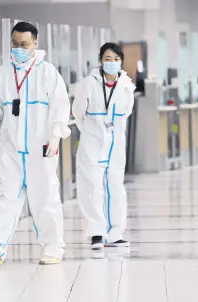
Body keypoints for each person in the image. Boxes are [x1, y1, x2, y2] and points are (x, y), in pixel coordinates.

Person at [0, 21, 71, 266]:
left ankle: (53, 246)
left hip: (41, 148)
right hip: (9, 147)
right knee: (5, 195)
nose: (19, 48)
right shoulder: (1, 74)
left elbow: (60, 105)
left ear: (35, 44)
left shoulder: (48, 72)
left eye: (24, 44)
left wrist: (56, 134)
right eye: (15, 44)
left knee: (44, 196)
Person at [72, 43, 135, 250]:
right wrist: (92, 131)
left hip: (115, 142)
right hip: (93, 140)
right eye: (108, 59)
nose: (112, 63)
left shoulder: (126, 84)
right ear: (100, 60)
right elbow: (78, 112)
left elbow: (126, 113)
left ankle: (116, 233)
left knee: (116, 187)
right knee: (92, 187)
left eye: (116, 59)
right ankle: (97, 233)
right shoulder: (89, 83)